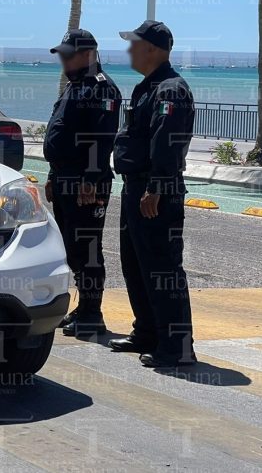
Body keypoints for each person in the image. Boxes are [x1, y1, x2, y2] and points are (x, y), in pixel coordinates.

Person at [110, 20, 197, 368]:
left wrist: (157, 187)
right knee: (136, 265)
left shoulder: (171, 89)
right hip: (137, 187)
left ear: (154, 49)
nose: (129, 49)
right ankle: (147, 331)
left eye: (135, 43)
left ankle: (177, 346)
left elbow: (168, 143)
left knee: (163, 268)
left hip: (156, 190)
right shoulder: (148, 87)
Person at [44, 29, 121, 338]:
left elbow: (102, 140)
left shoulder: (102, 90)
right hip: (64, 180)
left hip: (86, 185)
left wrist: (89, 180)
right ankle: (84, 308)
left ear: (88, 54)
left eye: (68, 54)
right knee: (70, 248)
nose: (63, 60)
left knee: (87, 249)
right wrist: (52, 176)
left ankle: (92, 313)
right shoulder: (74, 87)